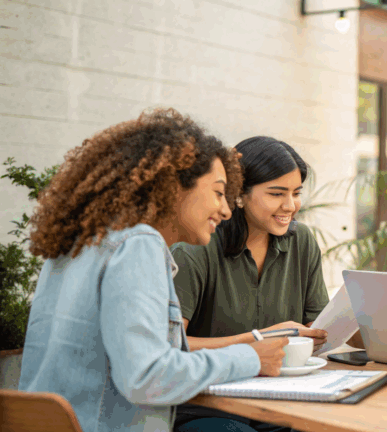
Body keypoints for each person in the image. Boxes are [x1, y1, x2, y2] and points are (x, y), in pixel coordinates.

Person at [18, 108, 288, 432]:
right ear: (173, 185)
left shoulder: (80, 241)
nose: (227, 210)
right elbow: (146, 376)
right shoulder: (138, 244)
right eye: (218, 192)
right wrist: (253, 358)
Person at [171, 136, 330, 432]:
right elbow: (171, 348)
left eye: (296, 193)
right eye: (276, 193)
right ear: (239, 195)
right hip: (206, 409)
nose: (290, 205)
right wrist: (256, 339)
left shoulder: (302, 242)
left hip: (285, 405)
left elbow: (318, 329)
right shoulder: (194, 248)